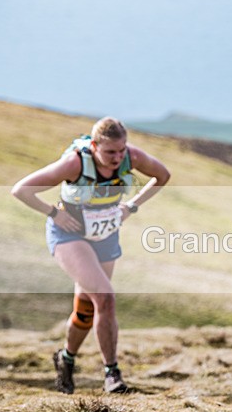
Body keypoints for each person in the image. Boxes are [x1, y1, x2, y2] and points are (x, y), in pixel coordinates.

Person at [12, 117, 170, 394]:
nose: (117, 158)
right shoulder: (74, 163)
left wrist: (131, 206)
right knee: (105, 299)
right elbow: (21, 190)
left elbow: (163, 176)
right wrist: (54, 213)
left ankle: (66, 358)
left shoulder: (131, 157)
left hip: (105, 235)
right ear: (95, 146)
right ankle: (112, 374)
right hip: (70, 236)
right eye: (110, 152)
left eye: (121, 150)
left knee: (86, 309)